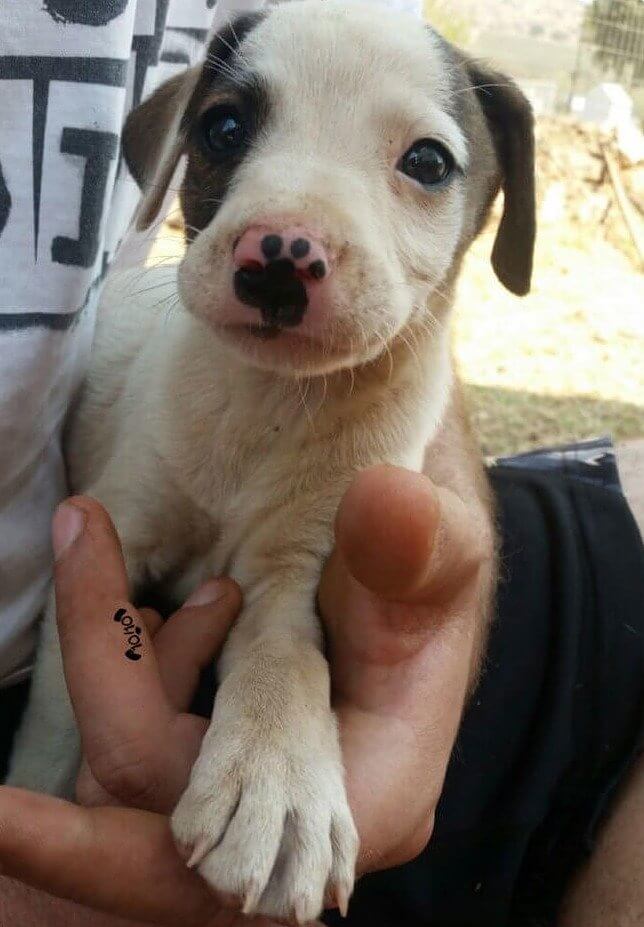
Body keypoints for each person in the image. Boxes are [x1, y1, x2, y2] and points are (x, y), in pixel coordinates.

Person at [0, 2, 643, 927]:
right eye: (227, 130)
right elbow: (106, 591)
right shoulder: (171, 376)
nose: (289, 237)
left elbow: (287, 604)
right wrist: (40, 803)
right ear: (177, 150)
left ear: (495, 206)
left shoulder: (327, 26)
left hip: (359, 607)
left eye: (423, 164)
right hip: (70, 653)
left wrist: (321, 697)